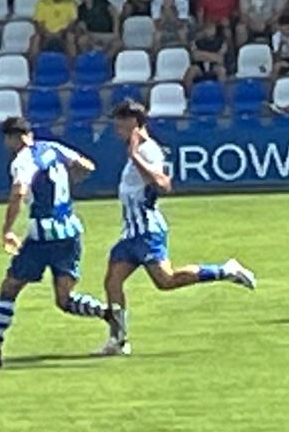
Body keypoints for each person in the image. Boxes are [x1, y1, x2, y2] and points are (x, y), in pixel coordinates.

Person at [96, 101, 255, 357]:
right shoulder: (137, 150)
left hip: (147, 231)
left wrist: (135, 156)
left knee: (166, 280)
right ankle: (118, 340)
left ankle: (226, 270)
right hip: (132, 232)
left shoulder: (148, 151)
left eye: (121, 124)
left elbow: (163, 184)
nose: (117, 129)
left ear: (134, 123)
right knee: (112, 282)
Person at [0, 118, 114, 370]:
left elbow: (18, 192)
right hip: (69, 231)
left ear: (12, 138)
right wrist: (65, 183)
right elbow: (87, 166)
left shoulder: (23, 160)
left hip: (42, 236)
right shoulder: (52, 147)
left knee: (10, 287)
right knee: (65, 300)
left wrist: (7, 230)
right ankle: (109, 313)